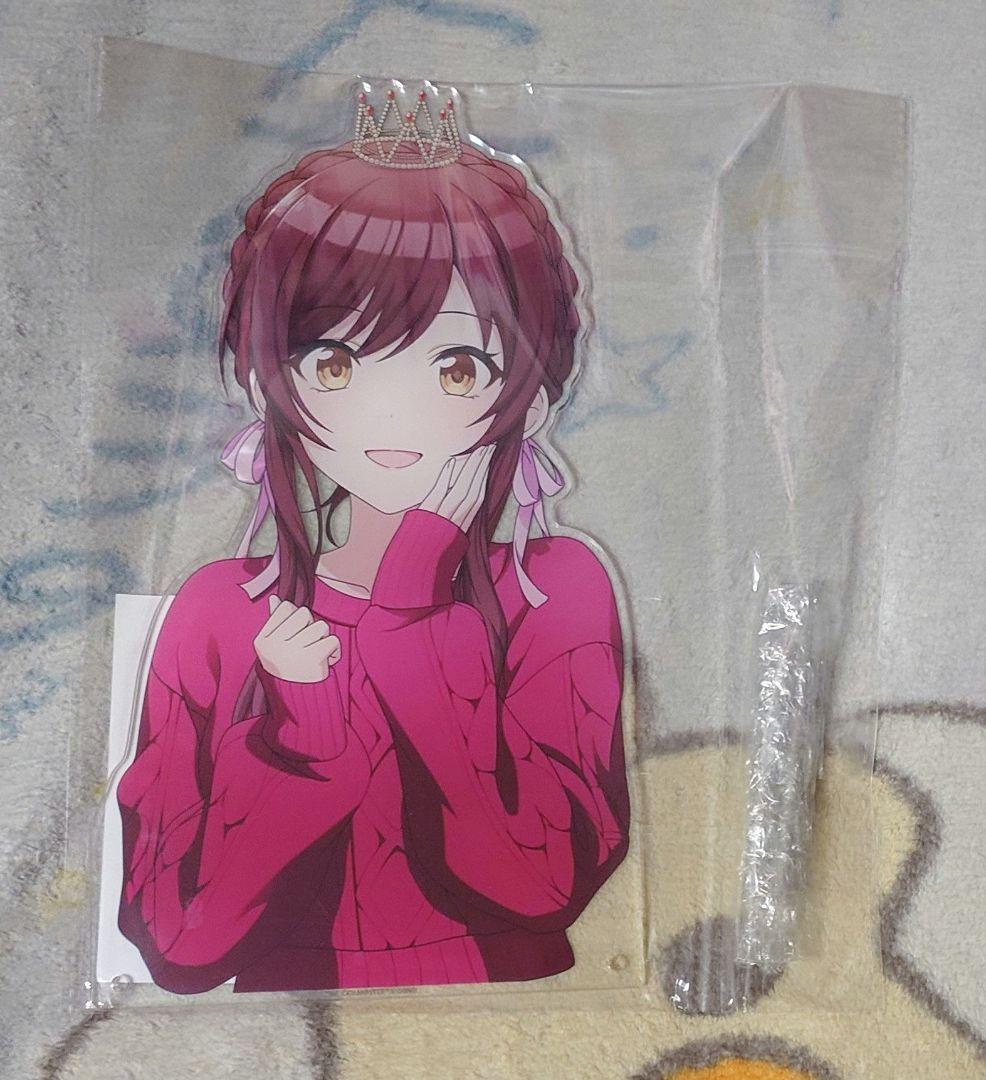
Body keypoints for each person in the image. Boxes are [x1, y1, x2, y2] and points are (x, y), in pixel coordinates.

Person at [117, 92, 631, 993]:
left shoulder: (551, 589)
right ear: (266, 383)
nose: (392, 412)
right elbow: (177, 940)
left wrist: (409, 613)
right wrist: (300, 742)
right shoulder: (223, 611)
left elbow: (543, 882)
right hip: (283, 1030)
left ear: (532, 390)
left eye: (458, 366)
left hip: (514, 1023)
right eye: (336, 363)